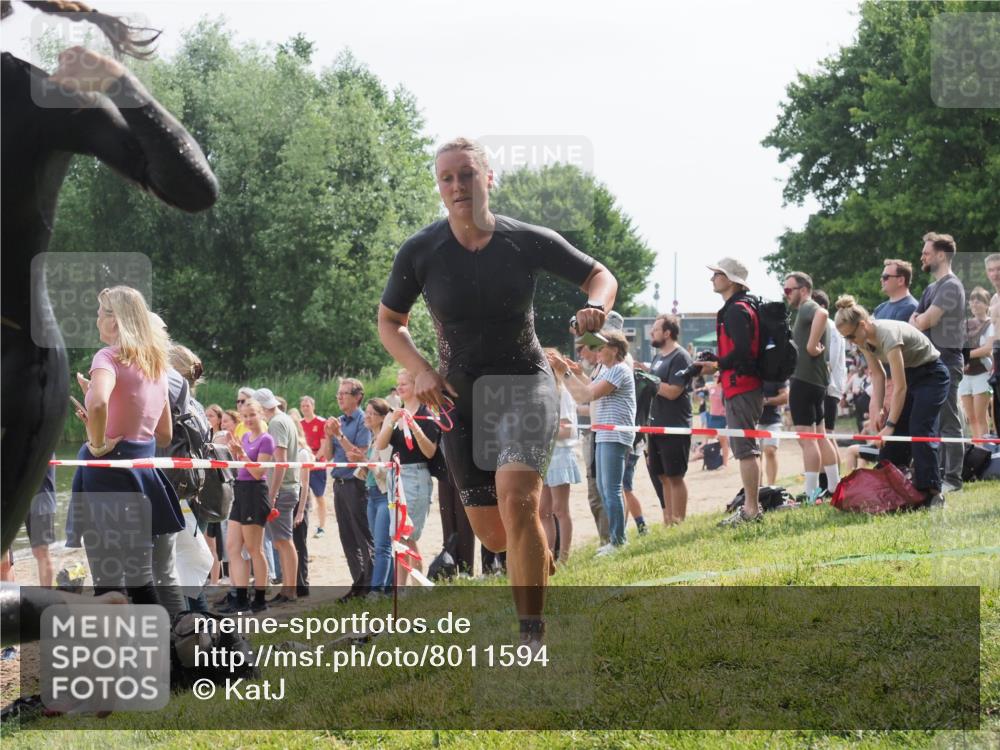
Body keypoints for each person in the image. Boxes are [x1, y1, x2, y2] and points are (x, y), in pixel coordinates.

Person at [378, 137, 616, 643]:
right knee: (494, 533)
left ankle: (532, 632)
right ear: (440, 188)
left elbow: (599, 275)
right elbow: (390, 322)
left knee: (518, 496)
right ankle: (536, 558)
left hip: (525, 383)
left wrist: (597, 307)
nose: (457, 185)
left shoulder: (524, 239)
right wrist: (419, 368)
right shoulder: (422, 250)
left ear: (488, 179)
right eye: (447, 178)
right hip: (458, 400)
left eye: (467, 174)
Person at [1, 2, 217, 556]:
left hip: (11, 368)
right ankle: (111, 609)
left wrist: (123, 87)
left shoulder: (32, 96)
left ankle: (128, 618)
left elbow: (193, 189)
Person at [67, 286, 181, 605]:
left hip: (106, 478)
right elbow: (164, 434)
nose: (95, 318)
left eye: (100, 312)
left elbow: (101, 402)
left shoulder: (107, 357)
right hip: (142, 475)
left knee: (107, 584)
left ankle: (116, 653)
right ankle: (161, 650)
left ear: (114, 321)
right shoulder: (156, 363)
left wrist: (98, 442)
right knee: (141, 579)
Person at [835, 295, 949, 505]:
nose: (850, 342)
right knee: (894, 435)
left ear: (862, 325)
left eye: (850, 336)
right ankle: (890, 485)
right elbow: (878, 375)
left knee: (919, 428)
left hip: (932, 375)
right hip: (911, 376)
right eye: (846, 339)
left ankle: (932, 492)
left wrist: (889, 425)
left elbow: (900, 387)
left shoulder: (887, 334)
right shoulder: (863, 340)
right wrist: (877, 408)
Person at [551, 330, 635, 554]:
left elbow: (586, 396)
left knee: (611, 489)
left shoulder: (619, 369)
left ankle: (618, 540)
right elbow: (591, 389)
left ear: (615, 350)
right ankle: (614, 540)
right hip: (604, 434)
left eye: (601, 348)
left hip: (614, 435)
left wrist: (565, 372)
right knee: (603, 488)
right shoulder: (608, 371)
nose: (597, 352)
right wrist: (577, 374)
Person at [699, 259, 765, 526]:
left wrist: (717, 363)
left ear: (731, 279)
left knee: (745, 450)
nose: (712, 278)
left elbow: (743, 353)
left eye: (717, 274)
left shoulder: (737, 310)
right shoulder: (742, 306)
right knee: (745, 448)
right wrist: (718, 362)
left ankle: (751, 509)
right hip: (741, 384)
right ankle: (751, 507)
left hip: (743, 386)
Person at [910, 232, 967, 493]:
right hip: (931, 363)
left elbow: (924, 321)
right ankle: (938, 474)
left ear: (941, 255)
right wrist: (919, 320)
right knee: (931, 422)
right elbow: (914, 321)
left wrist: (920, 320)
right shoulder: (931, 288)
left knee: (948, 421)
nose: (922, 255)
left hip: (948, 360)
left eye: (927, 251)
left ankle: (953, 479)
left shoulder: (951, 286)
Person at [374, 369, 440, 586]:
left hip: (416, 475)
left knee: (406, 537)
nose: (399, 387)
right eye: (398, 384)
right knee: (398, 537)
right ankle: (402, 589)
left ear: (415, 387)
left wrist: (414, 426)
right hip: (396, 475)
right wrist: (390, 422)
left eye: (404, 384)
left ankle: (414, 587)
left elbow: (430, 452)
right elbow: (381, 445)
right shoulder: (396, 412)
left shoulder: (427, 415)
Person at [784, 272, 839, 500]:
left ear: (803, 289)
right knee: (820, 436)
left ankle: (811, 494)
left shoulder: (808, 306)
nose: (786, 294)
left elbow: (823, 313)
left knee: (808, 440)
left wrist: (810, 344)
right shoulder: (803, 310)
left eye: (789, 290)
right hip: (816, 383)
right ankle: (835, 488)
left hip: (804, 381)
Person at [319, 378, 372, 599]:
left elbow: (358, 455)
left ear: (358, 396)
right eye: (338, 394)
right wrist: (328, 434)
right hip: (339, 484)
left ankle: (369, 584)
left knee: (362, 535)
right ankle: (358, 583)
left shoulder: (362, 420)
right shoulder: (339, 421)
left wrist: (339, 435)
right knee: (346, 536)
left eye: (344, 393)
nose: (340, 397)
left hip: (355, 484)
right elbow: (328, 455)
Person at [221, 399, 273, 613]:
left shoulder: (266, 439)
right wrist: (235, 452)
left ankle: (260, 599)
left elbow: (258, 472)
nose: (249, 419)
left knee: (254, 549)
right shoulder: (244, 436)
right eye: (245, 415)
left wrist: (241, 454)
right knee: (233, 547)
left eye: (252, 414)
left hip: (254, 492)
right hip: (241, 490)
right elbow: (242, 467)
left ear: (261, 414)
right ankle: (240, 598)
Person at [646, 314, 694, 525]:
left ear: (667, 333)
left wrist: (649, 380)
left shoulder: (680, 357)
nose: (651, 333)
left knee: (675, 476)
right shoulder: (658, 357)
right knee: (662, 476)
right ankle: (668, 521)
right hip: (656, 424)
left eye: (655, 329)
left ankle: (679, 522)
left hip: (675, 425)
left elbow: (674, 391)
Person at [254, 388, 299, 605]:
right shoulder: (285, 419)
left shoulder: (276, 423)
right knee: (283, 542)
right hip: (288, 487)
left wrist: (272, 494)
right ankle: (288, 589)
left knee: (283, 541)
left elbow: (280, 462)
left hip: (284, 488)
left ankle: (289, 590)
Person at [539, 349, 582, 562]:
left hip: (560, 454)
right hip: (545, 455)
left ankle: (564, 558)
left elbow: (568, 429)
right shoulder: (543, 391)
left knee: (560, 510)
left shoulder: (562, 392)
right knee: (543, 511)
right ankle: (548, 558)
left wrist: (539, 429)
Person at [353, 399, 395, 595]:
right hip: (372, 495)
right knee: (380, 545)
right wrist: (362, 464)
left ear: (382, 417)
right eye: (366, 412)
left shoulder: (385, 443)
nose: (366, 416)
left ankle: (377, 590)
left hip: (384, 496)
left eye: (371, 413)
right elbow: (371, 472)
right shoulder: (373, 440)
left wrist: (364, 461)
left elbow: (386, 474)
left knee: (382, 546)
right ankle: (386, 589)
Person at [813, 289, 847, 475]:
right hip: (826, 385)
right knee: (824, 434)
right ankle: (828, 477)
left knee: (828, 434)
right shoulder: (825, 326)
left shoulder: (829, 326)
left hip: (829, 386)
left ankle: (834, 478)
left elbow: (830, 360)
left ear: (823, 307)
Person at [961, 287, 994, 439]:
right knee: (971, 418)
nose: (975, 303)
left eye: (979, 299)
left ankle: (985, 451)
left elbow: (987, 349)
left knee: (981, 417)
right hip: (964, 375)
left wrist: (965, 355)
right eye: (972, 299)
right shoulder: (965, 324)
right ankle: (976, 449)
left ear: (987, 305)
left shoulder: (991, 324)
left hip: (982, 373)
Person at [288, 412, 313, 598]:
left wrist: (301, 511)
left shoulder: (302, 452)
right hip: (290, 498)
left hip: (300, 500)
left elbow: (305, 484)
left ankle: (302, 582)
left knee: (299, 543)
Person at [299, 396, 329, 539]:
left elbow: (324, 444)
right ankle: (301, 523)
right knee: (301, 494)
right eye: (303, 406)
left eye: (307, 406)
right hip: (304, 464)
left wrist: (315, 459)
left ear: (313, 406)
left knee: (319, 496)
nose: (305, 408)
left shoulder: (321, 422)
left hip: (317, 463)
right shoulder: (299, 424)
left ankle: (322, 526)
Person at [26, 465, 58, 588]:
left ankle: (46, 597)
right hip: (25, 500)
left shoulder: (42, 446)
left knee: (41, 551)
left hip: (42, 500)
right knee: (37, 552)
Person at [756, 380, 789, 487]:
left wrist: (766, 401)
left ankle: (771, 486)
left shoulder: (776, 377)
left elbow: (785, 397)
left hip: (773, 421)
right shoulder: (752, 374)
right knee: (755, 456)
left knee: (770, 451)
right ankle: (758, 487)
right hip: (753, 421)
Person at [986, 253, 1000, 434]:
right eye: (991, 270)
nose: (995, 274)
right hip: (996, 354)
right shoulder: (994, 299)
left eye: (999, 269)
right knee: (996, 405)